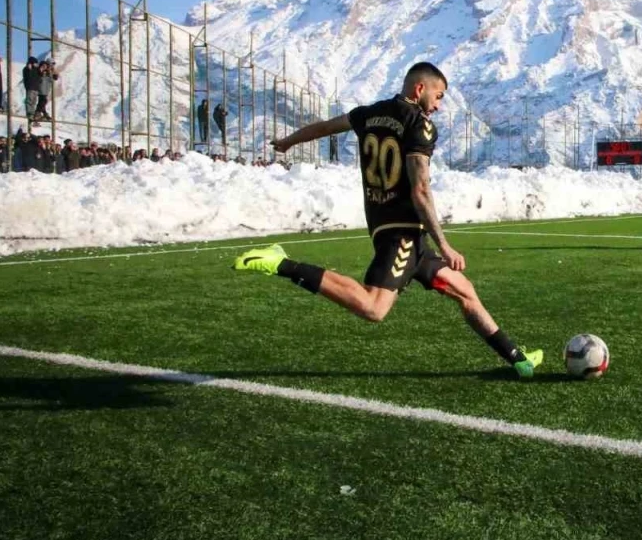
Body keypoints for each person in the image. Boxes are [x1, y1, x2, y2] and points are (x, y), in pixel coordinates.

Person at [232, 62, 543, 378]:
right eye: (438, 96)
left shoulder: (368, 113)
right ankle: (282, 263)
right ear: (419, 89)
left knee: (464, 290)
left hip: (393, 229)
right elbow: (421, 189)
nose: (438, 106)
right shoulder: (418, 125)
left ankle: (518, 359)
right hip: (403, 233)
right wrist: (446, 246)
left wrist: (289, 142)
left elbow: (324, 127)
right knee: (374, 307)